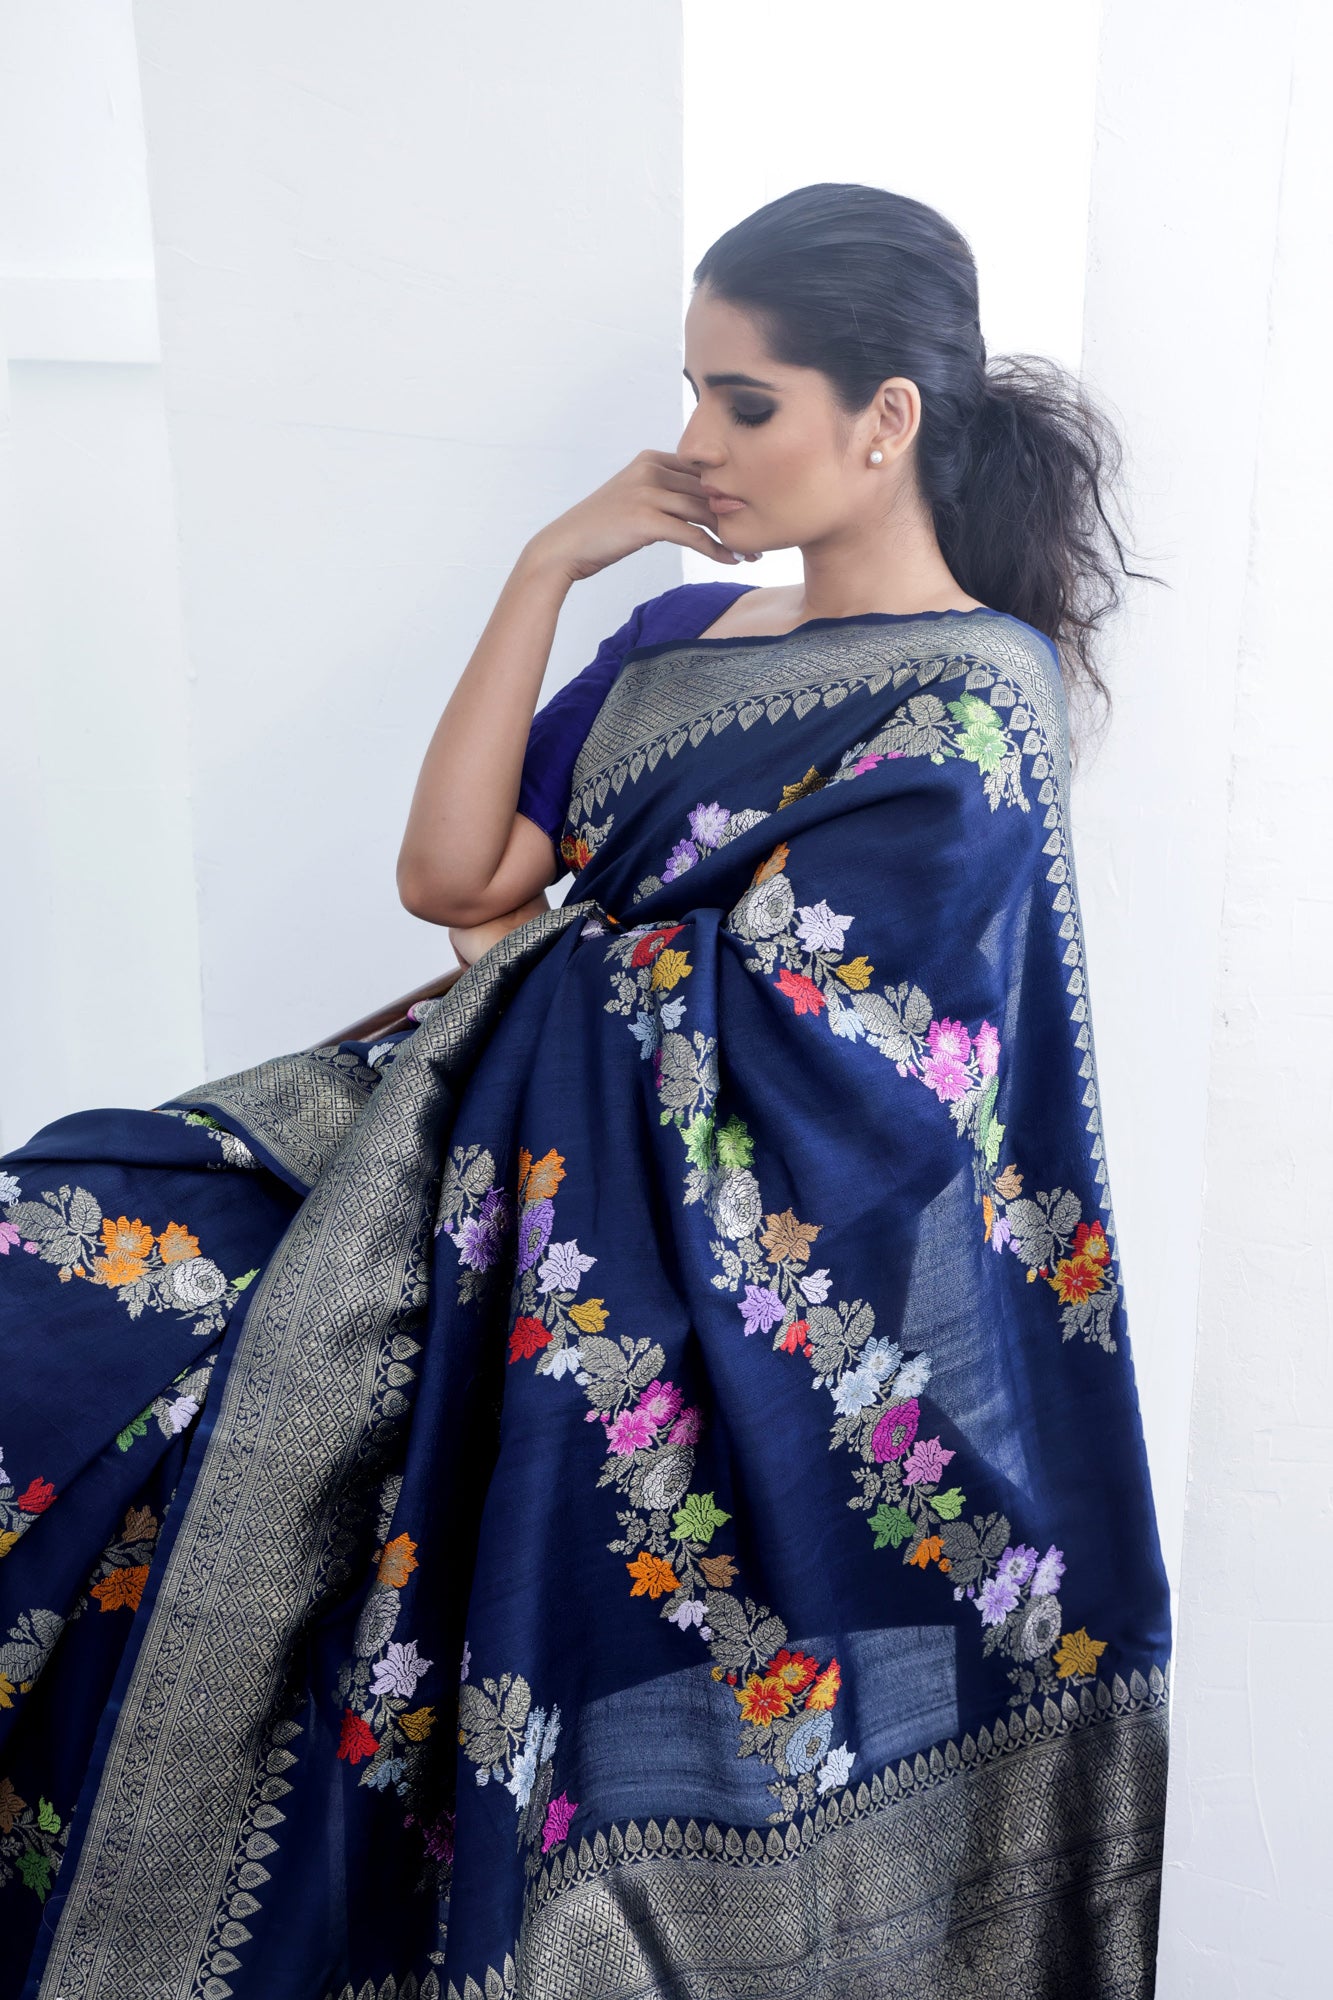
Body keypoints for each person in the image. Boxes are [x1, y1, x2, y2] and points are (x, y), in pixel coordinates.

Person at [1, 182, 1172, 2000]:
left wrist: (557, 964)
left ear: (885, 420)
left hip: (677, 1268)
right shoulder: (684, 632)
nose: (698, 441)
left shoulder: (968, 702)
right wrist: (549, 571)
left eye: (745, 402)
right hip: (449, 1143)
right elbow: (456, 879)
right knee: (54, 1271)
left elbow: (859, 1073)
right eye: (692, 390)